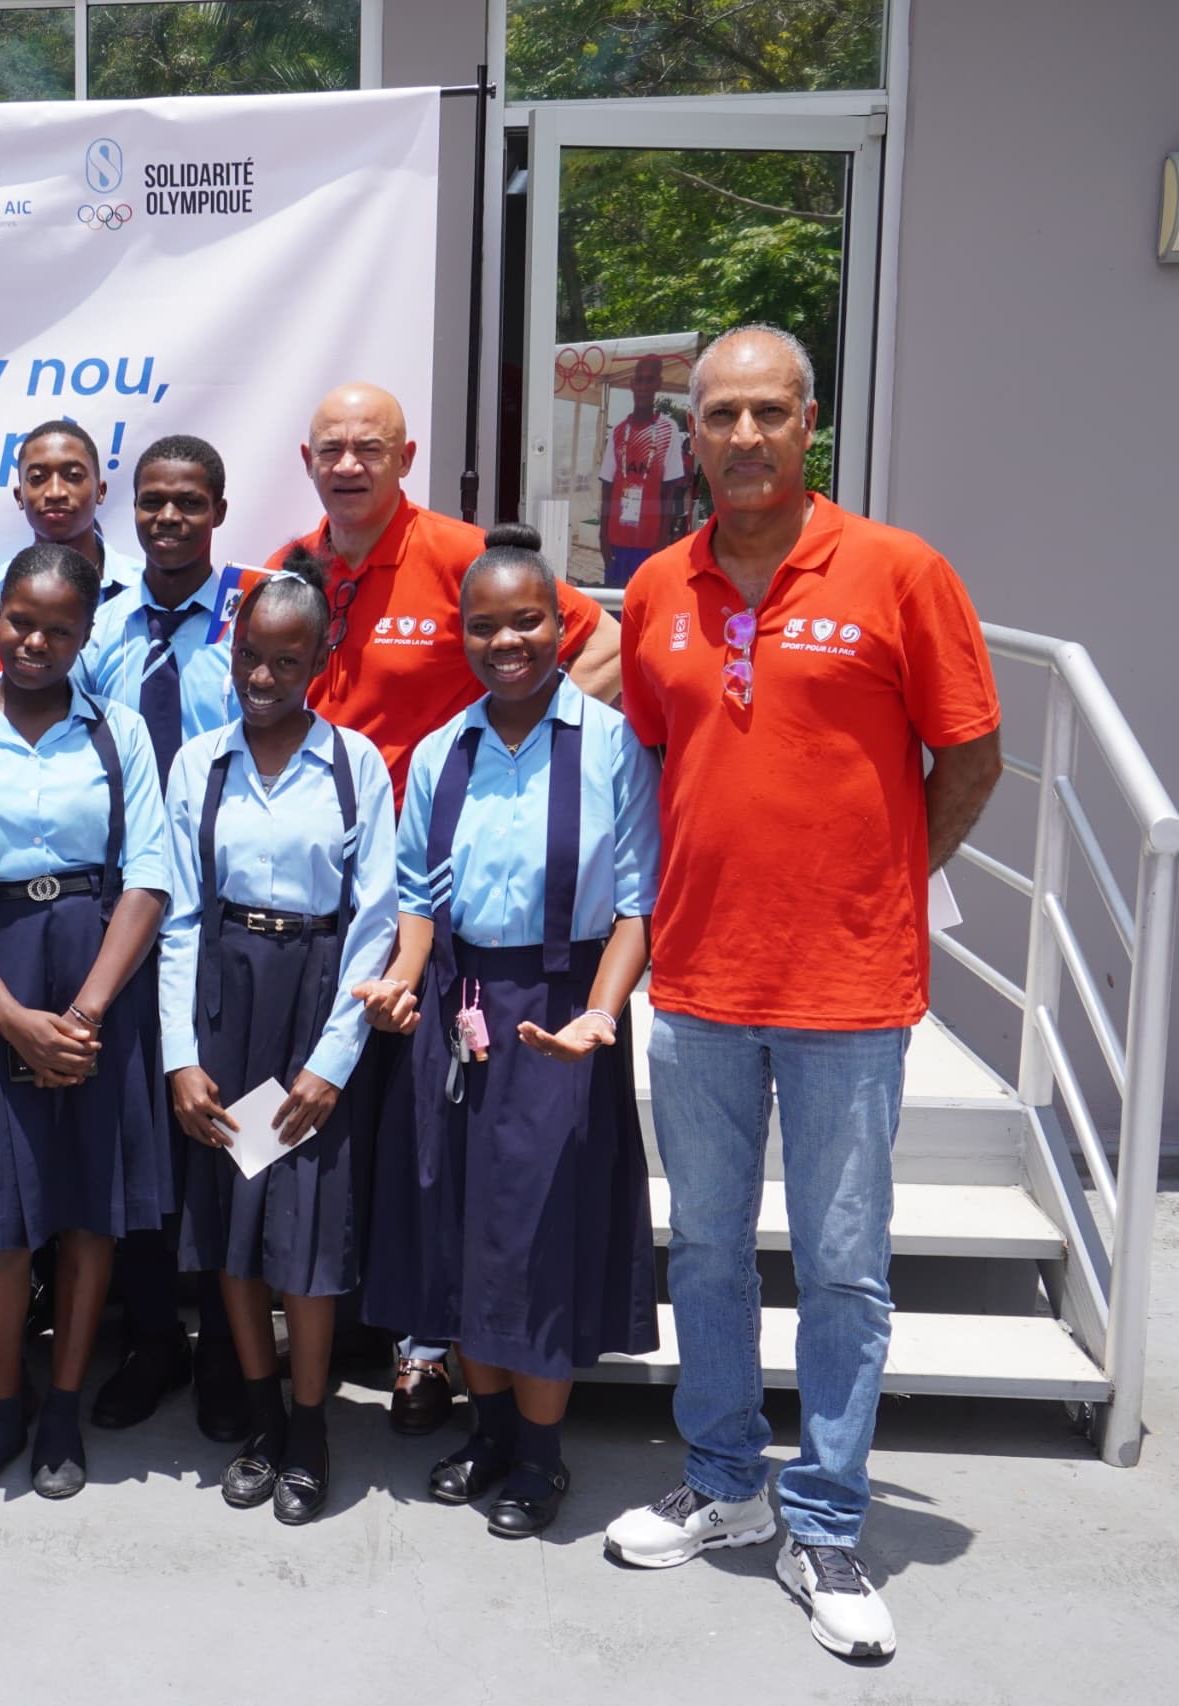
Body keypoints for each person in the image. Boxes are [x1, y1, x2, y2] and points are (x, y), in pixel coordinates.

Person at [604, 324, 1003, 1661]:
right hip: (702, 979)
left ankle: (826, 1517)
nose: (746, 436)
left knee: (843, 1266)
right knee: (708, 1246)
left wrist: (884, 878)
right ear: (696, 434)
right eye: (722, 415)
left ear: (811, 421)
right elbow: (666, 758)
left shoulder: (900, 571)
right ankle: (723, 1482)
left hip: (847, 987)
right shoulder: (658, 583)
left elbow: (971, 758)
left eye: (771, 411)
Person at [269, 379, 620, 1437]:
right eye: (330, 447)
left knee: (442, 1146)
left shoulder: (461, 553)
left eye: (368, 446)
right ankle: (344, 1337)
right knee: (351, 1131)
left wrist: (515, 758)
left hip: (438, 894)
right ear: (306, 459)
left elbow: (588, 643)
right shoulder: (294, 567)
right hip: (324, 899)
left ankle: (425, 1354)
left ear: (405, 452)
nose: (348, 464)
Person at [355, 524, 660, 1541]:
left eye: (526, 619)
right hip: (457, 1007)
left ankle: (539, 1457)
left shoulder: (610, 745)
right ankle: (487, 1432)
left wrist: (598, 1015)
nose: (506, 640)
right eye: (483, 624)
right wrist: (402, 979)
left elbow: (634, 904)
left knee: (536, 1234)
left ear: (562, 625)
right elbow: (416, 893)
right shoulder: (444, 749)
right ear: (461, 634)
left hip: (560, 1011)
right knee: (458, 1228)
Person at [0, 543, 169, 1501]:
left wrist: (85, 1014)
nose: (36, 640)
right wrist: (16, 1020)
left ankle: (63, 1407)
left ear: (86, 635)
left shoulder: (120, 736)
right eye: (22, 619)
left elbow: (147, 874)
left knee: (88, 1209)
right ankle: (0, 1409)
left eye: (61, 628)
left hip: (99, 978)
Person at [160, 559, 396, 1524]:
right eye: (250, 657)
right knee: (234, 1223)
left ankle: (309, 1425)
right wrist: (181, 1055)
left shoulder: (355, 767)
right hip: (225, 1002)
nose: (262, 678)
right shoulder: (198, 765)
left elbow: (376, 922)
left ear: (321, 661)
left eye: (285, 662)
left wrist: (330, 1064)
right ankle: (260, 1417)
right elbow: (176, 917)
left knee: (302, 1232)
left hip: (310, 1005)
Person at [78, 433, 248, 1443]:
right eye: (154, 502)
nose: (170, 517)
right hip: (125, 918)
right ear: (131, 511)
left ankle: (232, 1348)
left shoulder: (250, 621)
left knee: (235, 1133)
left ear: (219, 509)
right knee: (133, 1138)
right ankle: (150, 1338)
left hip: (230, 921)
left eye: (189, 500)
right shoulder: (100, 631)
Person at [0, 419, 141, 616]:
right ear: (20, 497)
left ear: (100, 491)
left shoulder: (143, 589)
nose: (55, 492)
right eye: (37, 478)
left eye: (74, 475)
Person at [597, 355, 692, 588]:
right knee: (616, 604)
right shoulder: (619, 431)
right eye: (639, 380)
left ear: (657, 384)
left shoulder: (668, 430)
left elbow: (670, 490)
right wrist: (603, 535)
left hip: (649, 539)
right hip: (617, 536)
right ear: (632, 383)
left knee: (645, 600)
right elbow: (607, 486)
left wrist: (663, 538)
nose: (643, 386)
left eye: (649, 380)